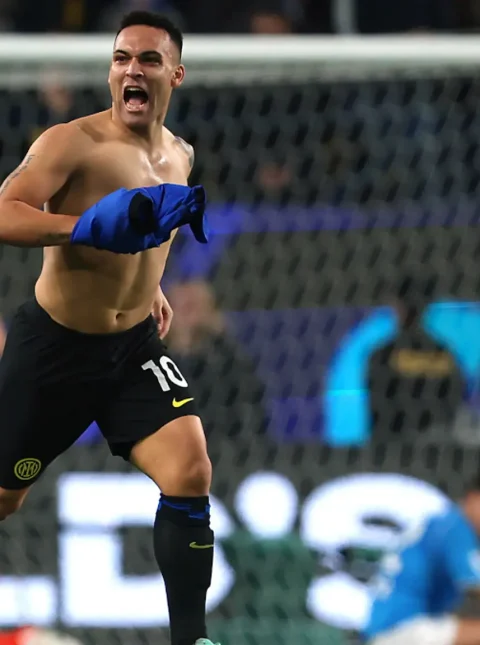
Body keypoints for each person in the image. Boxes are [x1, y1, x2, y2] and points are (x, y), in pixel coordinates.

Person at [0, 11, 218, 645]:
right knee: (4, 499)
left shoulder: (181, 154)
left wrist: (150, 288)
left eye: (148, 59)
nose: (132, 70)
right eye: (122, 58)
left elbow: (146, 233)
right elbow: (5, 212)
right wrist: (80, 227)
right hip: (54, 350)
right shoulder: (71, 142)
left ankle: (192, 641)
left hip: (131, 349)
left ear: (175, 74)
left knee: (190, 468)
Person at [364, 477, 480, 645]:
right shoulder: (457, 527)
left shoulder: (444, 522)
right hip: (400, 629)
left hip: (392, 628)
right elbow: (475, 584)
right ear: (472, 497)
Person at [367, 274, 464, 442]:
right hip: (437, 445)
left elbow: (377, 412)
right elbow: (454, 401)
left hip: (397, 446)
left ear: (398, 306)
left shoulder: (383, 354)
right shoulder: (444, 353)